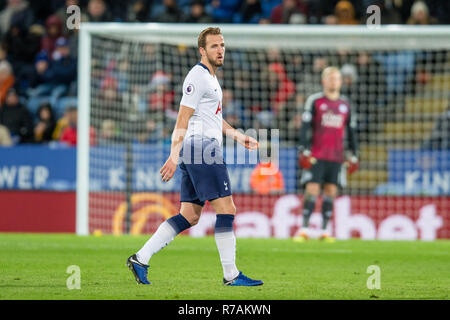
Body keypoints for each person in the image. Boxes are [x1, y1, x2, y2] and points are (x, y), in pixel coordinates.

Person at [127, 27, 263, 287]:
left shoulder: (211, 78)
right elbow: (183, 117)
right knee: (227, 209)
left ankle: (140, 259)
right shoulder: (197, 76)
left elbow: (214, 118)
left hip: (198, 148)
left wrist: (238, 136)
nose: (220, 50)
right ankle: (231, 274)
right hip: (201, 149)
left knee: (189, 215)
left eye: (222, 45)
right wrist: (173, 154)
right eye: (214, 46)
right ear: (202, 50)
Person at [294, 67, 359, 242]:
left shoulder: (345, 104)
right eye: (330, 78)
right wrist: (304, 149)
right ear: (323, 81)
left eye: (336, 78)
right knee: (312, 189)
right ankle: (304, 229)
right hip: (316, 154)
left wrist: (354, 153)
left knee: (331, 191)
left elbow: (351, 131)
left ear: (341, 82)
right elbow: (305, 127)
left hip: (336, 156)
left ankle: (324, 231)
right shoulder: (315, 101)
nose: (333, 81)